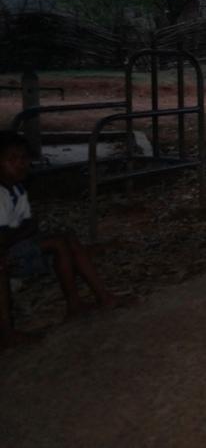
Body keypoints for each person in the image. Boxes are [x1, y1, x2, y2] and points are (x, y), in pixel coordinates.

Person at [0, 132, 134, 348]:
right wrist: (26, 234)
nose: (20, 164)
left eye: (23, 158)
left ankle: (99, 297)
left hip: (15, 245)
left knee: (67, 237)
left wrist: (27, 233)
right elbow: (8, 236)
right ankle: (77, 303)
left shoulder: (16, 189)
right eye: (12, 159)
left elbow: (27, 225)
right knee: (59, 243)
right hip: (8, 252)